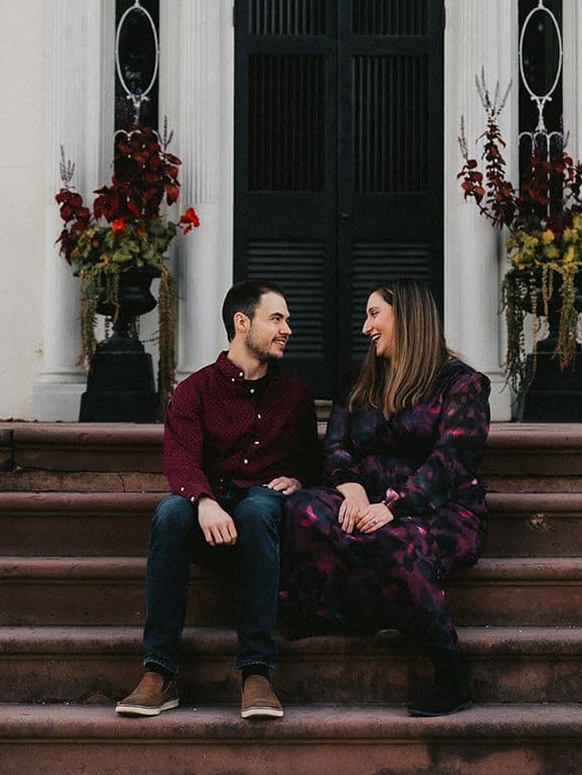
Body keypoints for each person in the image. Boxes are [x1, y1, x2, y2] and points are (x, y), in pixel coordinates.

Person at [281, 279, 490, 717]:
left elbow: (450, 462)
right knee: (300, 509)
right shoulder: (363, 382)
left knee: (394, 542)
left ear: (407, 317)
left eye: (374, 314)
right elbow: (336, 447)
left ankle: (450, 669)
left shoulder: (462, 384)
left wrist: (393, 507)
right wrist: (352, 491)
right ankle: (364, 611)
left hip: (437, 509)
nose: (365, 327)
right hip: (366, 500)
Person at [117, 279, 318, 722]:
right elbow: (180, 460)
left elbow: (312, 463)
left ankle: (257, 671)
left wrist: (299, 479)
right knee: (171, 512)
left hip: (261, 514)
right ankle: (159, 670)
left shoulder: (297, 396)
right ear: (242, 323)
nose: (287, 329)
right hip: (208, 510)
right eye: (277, 319)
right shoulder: (194, 391)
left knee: (259, 508)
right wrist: (203, 500)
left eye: (287, 320)